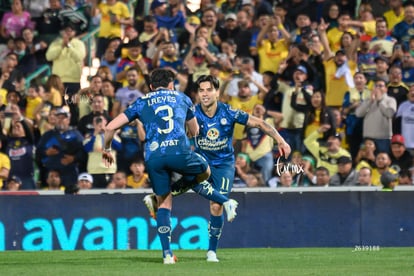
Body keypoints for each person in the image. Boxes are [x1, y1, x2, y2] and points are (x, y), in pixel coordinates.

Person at [102, 69, 224, 264]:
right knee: (205, 170)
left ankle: (167, 254)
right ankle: (182, 189)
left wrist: (107, 149)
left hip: (154, 157)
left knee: (164, 203)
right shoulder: (182, 98)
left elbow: (109, 127)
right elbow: (195, 131)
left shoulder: (141, 102)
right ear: (171, 84)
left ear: (151, 86)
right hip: (179, 153)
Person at [168, 75, 290, 262]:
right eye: (201, 90)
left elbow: (260, 123)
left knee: (215, 206)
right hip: (202, 161)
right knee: (189, 176)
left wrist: (281, 140)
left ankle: (211, 252)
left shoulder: (229, 112)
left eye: (209, 90)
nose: (205, 94)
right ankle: (225, 202)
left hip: (224, 164)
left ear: (218, 92)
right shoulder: (191, 113)